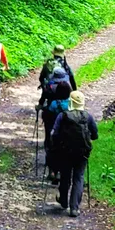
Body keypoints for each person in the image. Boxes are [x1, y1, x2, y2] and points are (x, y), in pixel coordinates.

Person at [51, 89, 98, 218]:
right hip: (82, 153)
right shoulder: (88, 117)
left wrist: (56, 146)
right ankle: (74, 208)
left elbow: (54, 134)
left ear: (70, 102)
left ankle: (64, 202)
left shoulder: (63, 115)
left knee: (65, 176)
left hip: (65, 151)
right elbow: (95, 135)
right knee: (78, 177)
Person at [38, 66, 72, 184]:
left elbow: (43, 99)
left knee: (50, 146)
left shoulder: (50, 87)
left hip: (51, 125)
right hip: (66, 129)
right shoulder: (68, 88)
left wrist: (41, 107)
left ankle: (52, 171)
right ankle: (62, 171)